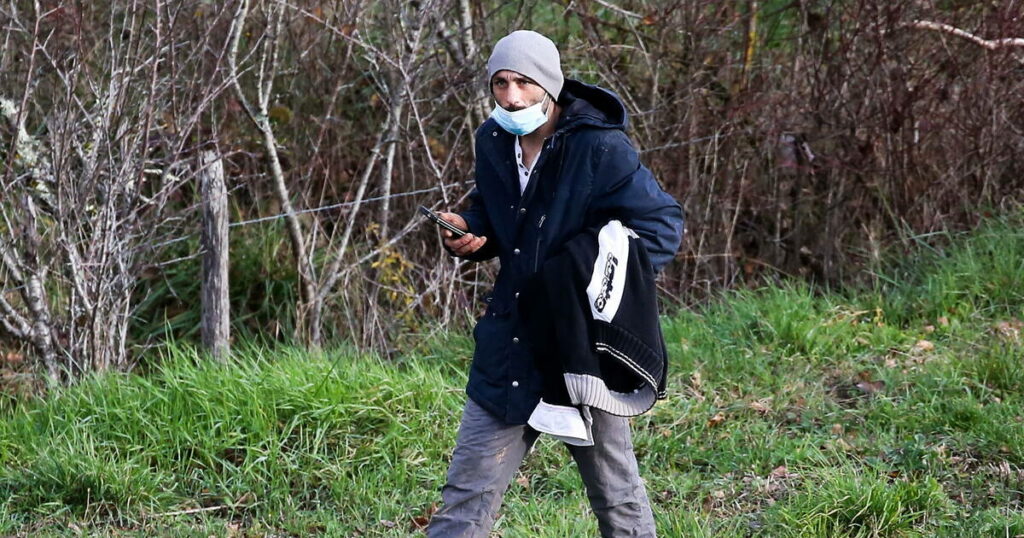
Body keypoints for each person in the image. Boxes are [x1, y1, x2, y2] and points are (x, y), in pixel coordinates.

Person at [426, 30, 684, 537]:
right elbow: (501, 215)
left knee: (618, 499)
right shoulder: (494, 140)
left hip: (582, 349)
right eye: (500, 83)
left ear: (548, 82)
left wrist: (586, 278)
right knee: (464, 500)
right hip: (510, 341)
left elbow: (660, 227)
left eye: (523, 82)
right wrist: (471, 229)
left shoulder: (598, 146)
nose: (511, 96)